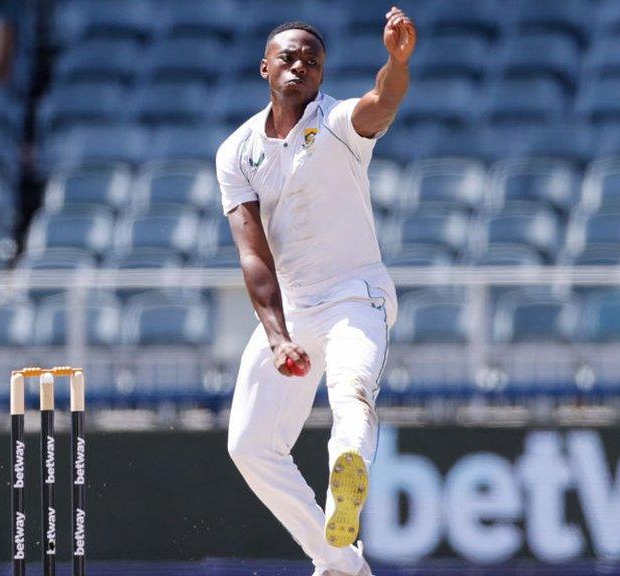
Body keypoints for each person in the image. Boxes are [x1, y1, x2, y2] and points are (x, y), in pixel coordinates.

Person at [217, 6, 416, 576]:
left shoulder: (337, 124)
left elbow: (383, 101)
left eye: (312, 60)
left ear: (322, 77)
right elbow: (254, 254)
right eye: (289, 56)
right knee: (249, 446)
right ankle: (339, 562)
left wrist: (396, 62)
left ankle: (346, 472)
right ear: (265, 69)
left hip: (357, 294)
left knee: (351, 393)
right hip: (294, 306)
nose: (300, 64)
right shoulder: (237, 152)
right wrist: (278, 338)